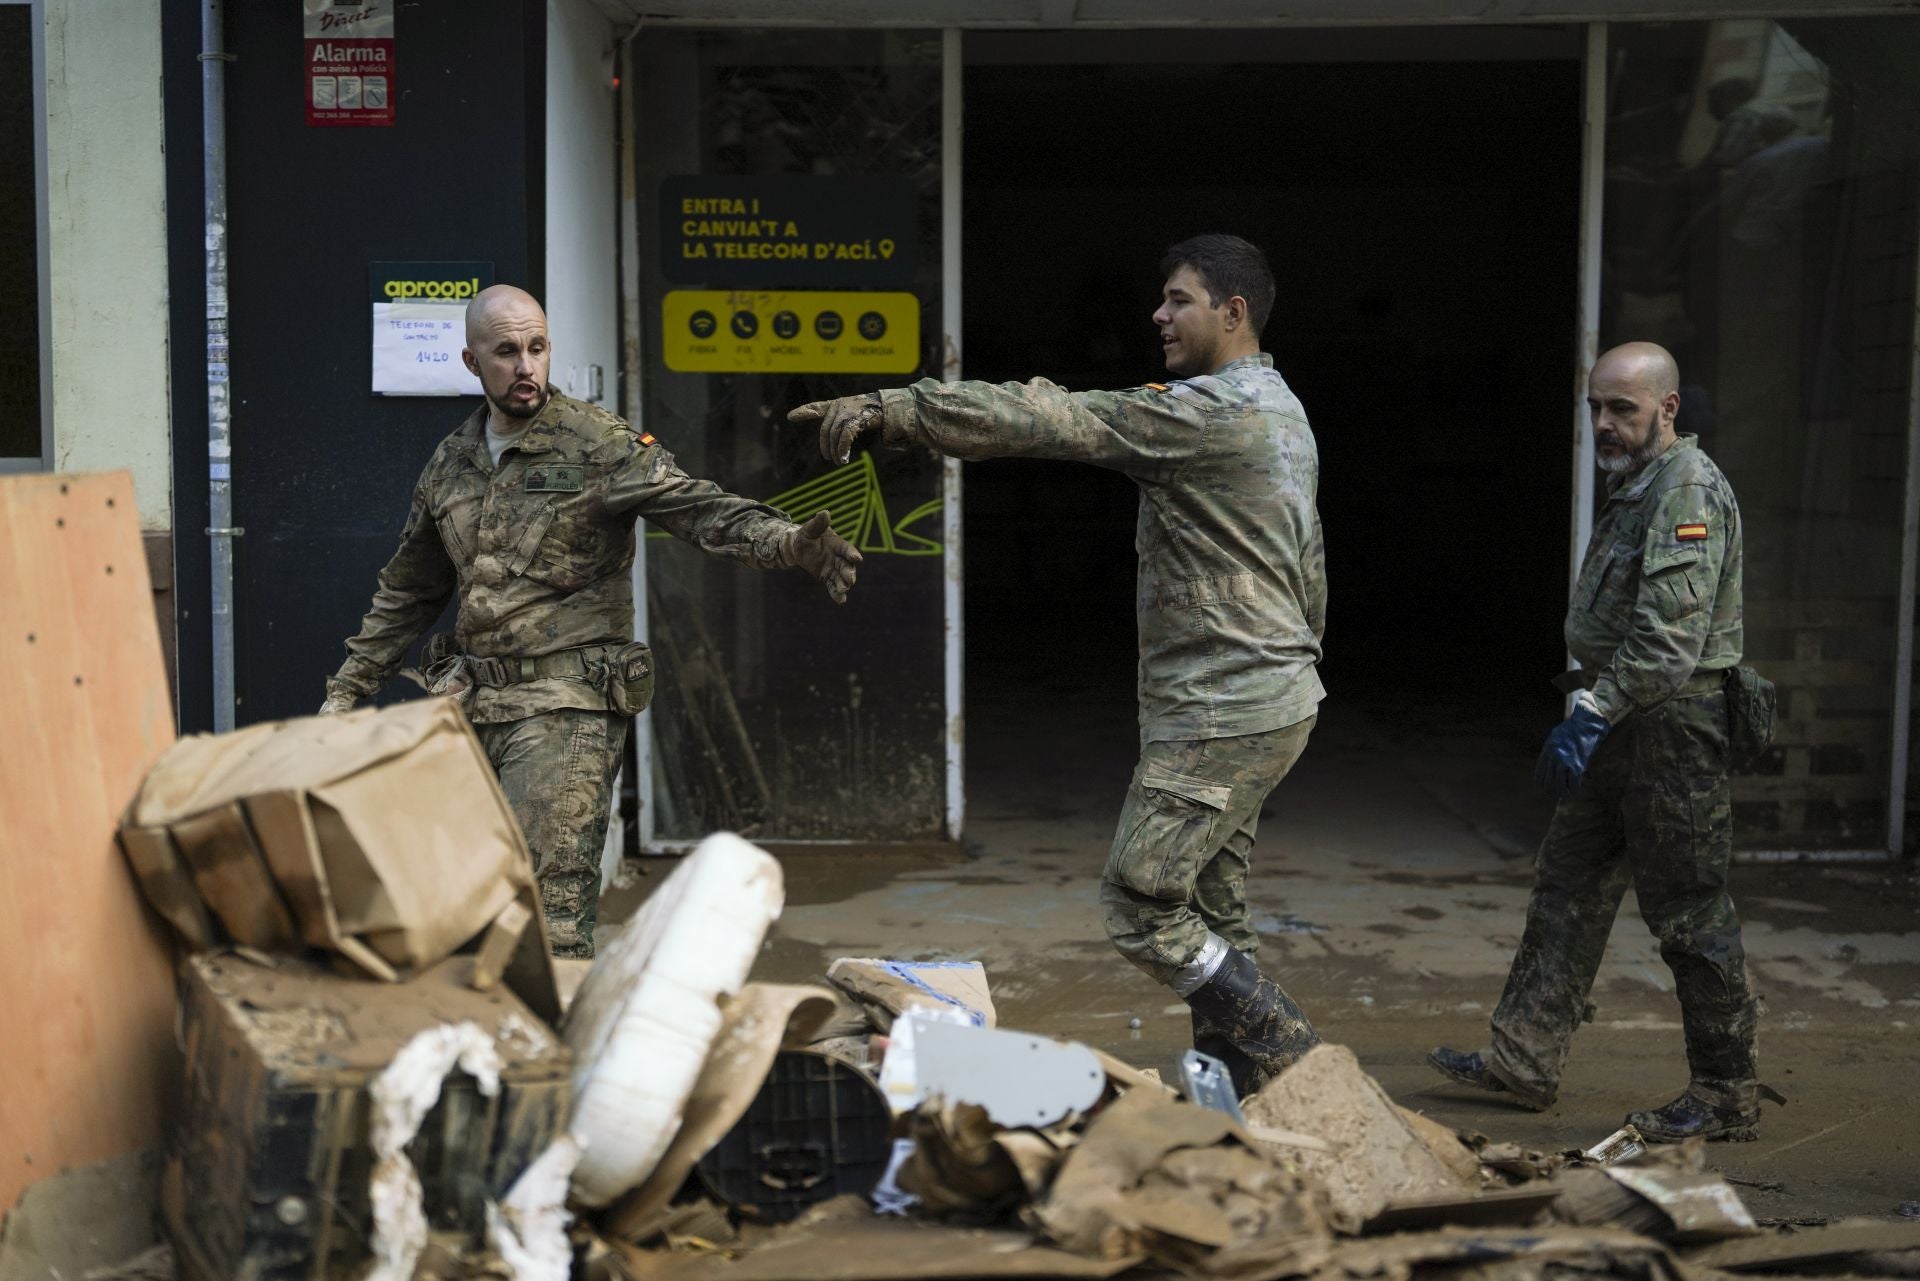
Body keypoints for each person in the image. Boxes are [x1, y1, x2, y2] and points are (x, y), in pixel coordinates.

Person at [790, 234, 1327, 1095]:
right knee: (1211, 909)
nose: (1159, 312)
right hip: (1268, 692)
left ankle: (1294, 1055)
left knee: (1142, 905)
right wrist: (1298, 668)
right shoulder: (1281, 407)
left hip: (1225, 707)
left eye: (1179, 298)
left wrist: (902, 410)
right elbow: (1309, 562)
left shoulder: (1207, 413)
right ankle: (1235, 1093)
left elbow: (1053, 418)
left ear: (1233, 313)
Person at [321, 285, 861, 957]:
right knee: (466, 910)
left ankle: (557, 1056)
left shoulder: (597, 444)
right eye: (507, 351)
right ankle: (492, 1053)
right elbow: (410, 588)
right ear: (471, 362)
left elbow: (698, 508)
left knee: (548, 924)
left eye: (537, 348)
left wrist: (786, 543)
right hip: (470, 708)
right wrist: (350, 686)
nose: (525, 366)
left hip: (567, 705)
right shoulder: (451, 462)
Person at [1428, 341, 1776, 1141]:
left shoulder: (1685, 486)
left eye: (1622, 407)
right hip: (1624, 719)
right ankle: (1524, 1056)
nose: (1604, 424)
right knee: (1569, 881)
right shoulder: (1640, 485)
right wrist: (1597, 709)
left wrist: (1590, 713)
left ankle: (1725, 1092)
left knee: (1689, 909)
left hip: (1673, 727)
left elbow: (1667, 642)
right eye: (1595, 407)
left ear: (1667, 408)